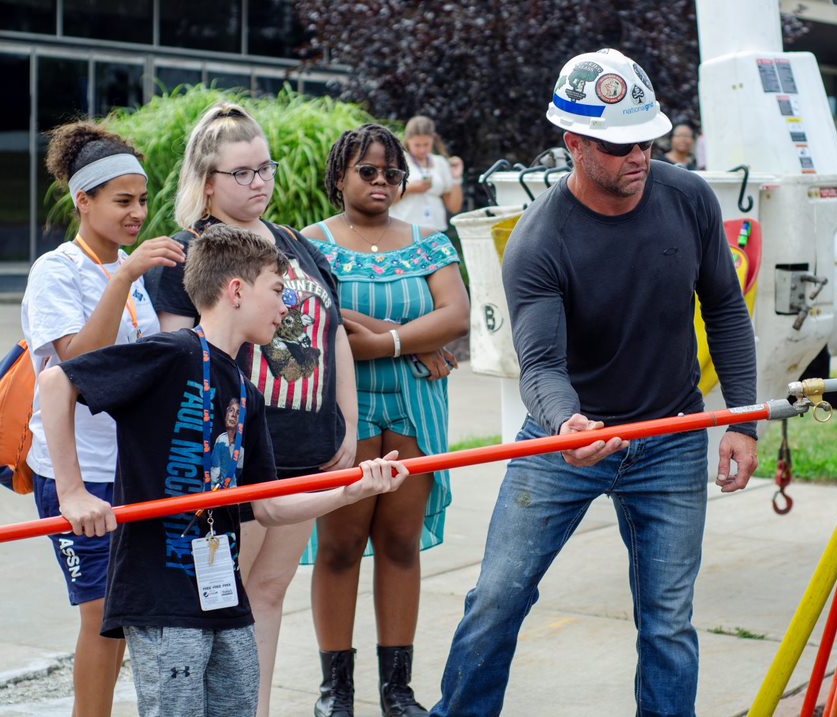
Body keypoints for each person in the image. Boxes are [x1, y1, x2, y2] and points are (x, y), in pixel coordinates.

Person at [431, 48, 758, 717]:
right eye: (617, 145)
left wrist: (742, 420)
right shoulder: (537, 242)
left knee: (667, 620)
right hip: (567, 437)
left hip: (669, 434)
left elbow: (724, 305)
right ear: (573, 143)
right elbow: (542, 366)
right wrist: (563, 426)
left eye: (645, 138)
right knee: (496, 598)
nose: (638, 155)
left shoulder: (688, 199)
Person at [42, 224, 409, 717]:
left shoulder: (245, 390)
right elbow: (55, 382)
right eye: (277, 291)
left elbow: (269, 504)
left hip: (222, 597)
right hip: (161, 596)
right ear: (236, 290)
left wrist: (351, 491)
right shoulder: (169, 354)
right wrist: (73, 492)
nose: (287, 308)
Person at [144, 102, 358, 717]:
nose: (259, 181)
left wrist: (345, 420)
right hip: (233, 458)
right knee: (221, 596)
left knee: (269, 590)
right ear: (206, 182)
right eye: (242, 172)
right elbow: (182, 357)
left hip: (310, 447)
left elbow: (333, 331)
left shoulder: (294, 242)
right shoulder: (189, 255)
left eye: (264, 168)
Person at [301, 123, 469, 717]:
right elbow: (310, 311)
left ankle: (398, 690)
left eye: (391, 172)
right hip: (345, 409)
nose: (380, 181)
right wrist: (402, 339)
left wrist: (384, 342)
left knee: (401, 544)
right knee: (340, 547)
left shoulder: (430, 241)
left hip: (416, 405)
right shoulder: (308, 244)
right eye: (366, 171)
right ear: (339, 177)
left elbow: (456, 315)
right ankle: (335, 691)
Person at [21, 121, 185, 717]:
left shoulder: (134, 276)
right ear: (82, 200)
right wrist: (124, 275)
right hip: (77, 476)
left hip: (132, 470)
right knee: (102, 614)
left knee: (124, 615)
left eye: (142, 200)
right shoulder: (56, 272)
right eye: (123, 201)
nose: (137, 213)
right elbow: (75, 367)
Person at [390, 116, 464, 234]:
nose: (422, 150)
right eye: (417, 145)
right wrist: (410, 189)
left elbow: (454, 207)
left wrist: (456, 178)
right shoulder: (397, 162)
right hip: (405, 231)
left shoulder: (440, 162)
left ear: (433, 140)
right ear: (408, 141)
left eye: (426, 144)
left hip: (435, 231)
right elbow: (385, 201)